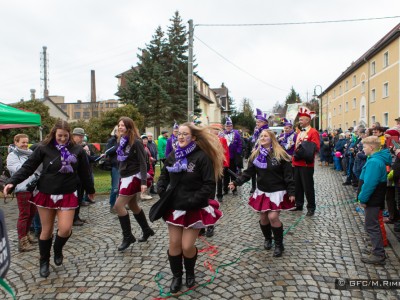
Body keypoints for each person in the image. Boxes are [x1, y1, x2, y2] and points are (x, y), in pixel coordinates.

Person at [3, 119, 95, 278]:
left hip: (68, 192)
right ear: (54, 133)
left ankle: (58, 250)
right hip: (46, 193)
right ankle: (44, 261)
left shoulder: (77, 150)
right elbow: (28, 167)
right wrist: (12, 182)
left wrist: (90, 189)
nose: (62, 139)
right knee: (46, 230)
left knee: (65, 229)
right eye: (60, 135)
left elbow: (85, 172)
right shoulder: (43, 148)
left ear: (69, 134)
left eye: (66, 136)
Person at [157, 122, 224, 294]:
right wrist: (162, 189)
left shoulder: (202, 157)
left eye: (185, 134)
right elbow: (164, 174)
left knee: (187, 246)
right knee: (174, 244)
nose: (180, 136)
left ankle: (190, 272)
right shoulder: (174, 154)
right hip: (175, 207)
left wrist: (194, 200)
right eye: (179, 133)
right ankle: (177, 276)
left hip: (194, 207)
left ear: (193, 137)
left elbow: (209, 184)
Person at [229, 129, 295, 257]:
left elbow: (288, 175)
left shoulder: (280, 154)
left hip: (277, 191)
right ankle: (267, 238)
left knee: (273, 217)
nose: (262, 138)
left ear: (272, 139)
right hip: (263, 191)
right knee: (263, 218)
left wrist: (292, 191)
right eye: (261, 136)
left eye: (266, 136)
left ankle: (279, 244)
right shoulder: (256, 155)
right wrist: (236, 182)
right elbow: (248, 173)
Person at [114, 117, 154, 252]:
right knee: (132, 205)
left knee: (118, 206)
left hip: (134, 177)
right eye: (119, 125)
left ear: (129, 127)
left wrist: (143, 183)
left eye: (123, 126)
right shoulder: (121, 141)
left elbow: (143, 162)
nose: (120, 127)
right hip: (124, 176)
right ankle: (147, 230)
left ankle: (128, 236)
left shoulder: (136, 142)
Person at [358, 136, 392, 265]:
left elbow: (370, 183)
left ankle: (378, 253)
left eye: (364, 146)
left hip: (373, 198)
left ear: (371, 147)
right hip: (374, 198)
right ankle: (376, 248)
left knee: (371, 226)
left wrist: (362, 198)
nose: (363, 149)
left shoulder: (374, 162)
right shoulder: (374, 159)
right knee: (373, 224)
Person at [6, 134, 41, 252]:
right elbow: (18, 169)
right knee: (24, 214)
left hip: (33, 188)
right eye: (23, 142)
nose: (25, 145)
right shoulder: (12, 155)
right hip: (22, 188)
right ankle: (22, 241)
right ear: (16, 142)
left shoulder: (30, 154)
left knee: (32, 213)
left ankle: (26, 235)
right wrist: (31, 164)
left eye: (27, 142)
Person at [292, 106, 320, 216]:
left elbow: (316, 147)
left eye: (301, 119)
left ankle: (311, 207)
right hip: (297, 162)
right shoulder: (299, 132)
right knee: (297, 185)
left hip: (306, 164)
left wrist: (304, 147)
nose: (300, 121)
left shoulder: (313, 132)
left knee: (308, 186)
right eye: (299, 120)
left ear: (308, 120)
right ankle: (299, 204)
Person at [249, 109, 270, 194]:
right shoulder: (256, 131)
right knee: (253, 170)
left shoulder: (267, 131)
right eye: (257, 122)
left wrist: (257, 147)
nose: (257, 123)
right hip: (255, 153)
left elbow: (266, 142)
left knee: (262, 171)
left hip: (264, 154)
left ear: (265, 123)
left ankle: (262, 186)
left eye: (259, 122)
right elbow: (253, 141)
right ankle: (254, 187)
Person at [223, 117, 242, 195]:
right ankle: (226, 189)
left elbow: (240, 144)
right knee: (225, 175)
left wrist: (238, 153)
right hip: (224, 158)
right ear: (225, 127)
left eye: (230, 126)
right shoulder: (222, 134)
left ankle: (234, 190)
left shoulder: (236, 134)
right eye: (227, 126)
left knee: (233, 174)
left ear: (232, 126)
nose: (228, 127)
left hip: (233, 157)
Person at [106, 125, 119, 213]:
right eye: (118, 130)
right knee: (115, 187)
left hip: (125, 166)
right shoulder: (112, 140)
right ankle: (112, 205)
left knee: (122, 187)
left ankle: (120, 204)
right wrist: (117, 146)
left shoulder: (125, 140)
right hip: (115, 166)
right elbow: (107, 152)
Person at [140, 134, 154, 200]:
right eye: (144, 139)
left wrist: (151, 158)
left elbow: (148, 156)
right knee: (145, 179)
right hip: (144, 166)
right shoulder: (141, 147)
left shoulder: (146, 147)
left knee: (149, 179)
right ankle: (142, 194)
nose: (145, 140)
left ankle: (145, 193)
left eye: (146, 139)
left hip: (149, 165)